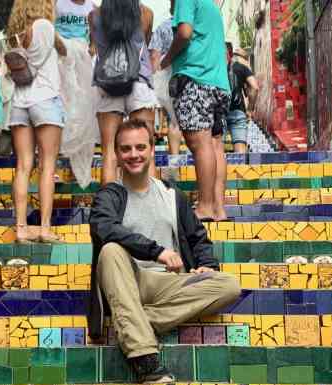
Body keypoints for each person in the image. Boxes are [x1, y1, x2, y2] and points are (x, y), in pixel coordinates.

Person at [88, 119, 241, 383]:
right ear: (117, 154)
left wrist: (207, 265)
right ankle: (145, 358)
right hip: (128, 279)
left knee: (228, 285)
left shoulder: (171, 194)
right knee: (110, 251)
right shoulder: (109, 196)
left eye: (140, 147)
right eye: (126, 149)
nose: (134, 154)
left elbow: (198, 237)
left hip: (169, 283)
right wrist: (156, 251)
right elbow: (105, 228)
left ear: (151, 149)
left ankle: (134, 321)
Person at [161, 0, 231, 222]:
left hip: (196, 79)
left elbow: (184, 33)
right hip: (219, 82)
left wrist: (167, 59)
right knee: (215, 144)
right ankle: (219, 209)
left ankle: (205, 207)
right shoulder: (210, 6)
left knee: (200, 145)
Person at [6, 0, 68, 243]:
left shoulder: (15, 34)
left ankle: (21, 228)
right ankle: (44, 228)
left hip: (19, 102)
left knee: (23, 166)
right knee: (47, 166)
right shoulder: (45, 26)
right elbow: (63, 51)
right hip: (45, 100)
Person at [89, 0, 156, 185]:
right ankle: (150, 202)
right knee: (147, 151)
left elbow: (96, 46)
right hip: (139, 81)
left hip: (107, 83)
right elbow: (143, 44)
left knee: (109, 152)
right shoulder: (145, 13)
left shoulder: (94, 16)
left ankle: (109, 203)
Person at [148, 15, 182, 156]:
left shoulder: (163, 27)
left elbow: (154, 56)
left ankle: (172, 159)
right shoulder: (194, 23)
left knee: (171, 120)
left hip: (166, 77)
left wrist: (153, 79)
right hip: (188, 75)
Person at [225, 42, 259, 154]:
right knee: (240, 151)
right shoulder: (241, 67)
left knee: (216, 149)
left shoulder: (214, 69)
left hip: (219, 113)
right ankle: (239, 165)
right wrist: (250, 109)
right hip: (238, 111)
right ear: (231, 54)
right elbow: (255, 87)